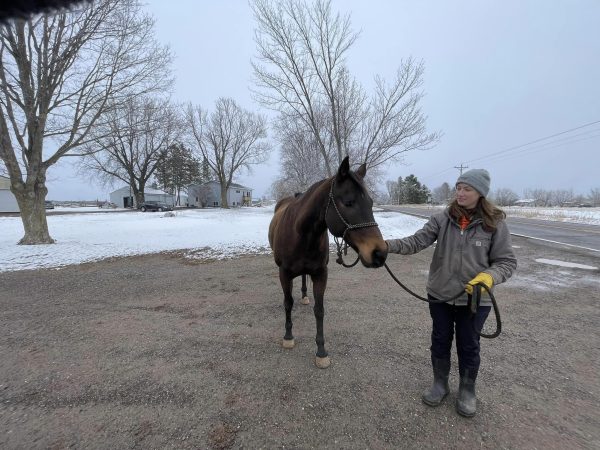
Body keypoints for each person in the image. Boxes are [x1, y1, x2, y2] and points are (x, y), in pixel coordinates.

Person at [385, 169, 517, 417]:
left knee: (469, 345)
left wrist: (489, 277)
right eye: (459, 188)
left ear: (480, 193)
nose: (461, 193)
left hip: (476, 299)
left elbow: (506, 262)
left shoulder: (495, 224)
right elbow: (416, 242)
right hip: (440, 295)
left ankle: (467, 391)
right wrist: (385, 246)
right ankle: (440, 384)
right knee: (440, 339)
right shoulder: (442, 219)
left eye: (467, 188)